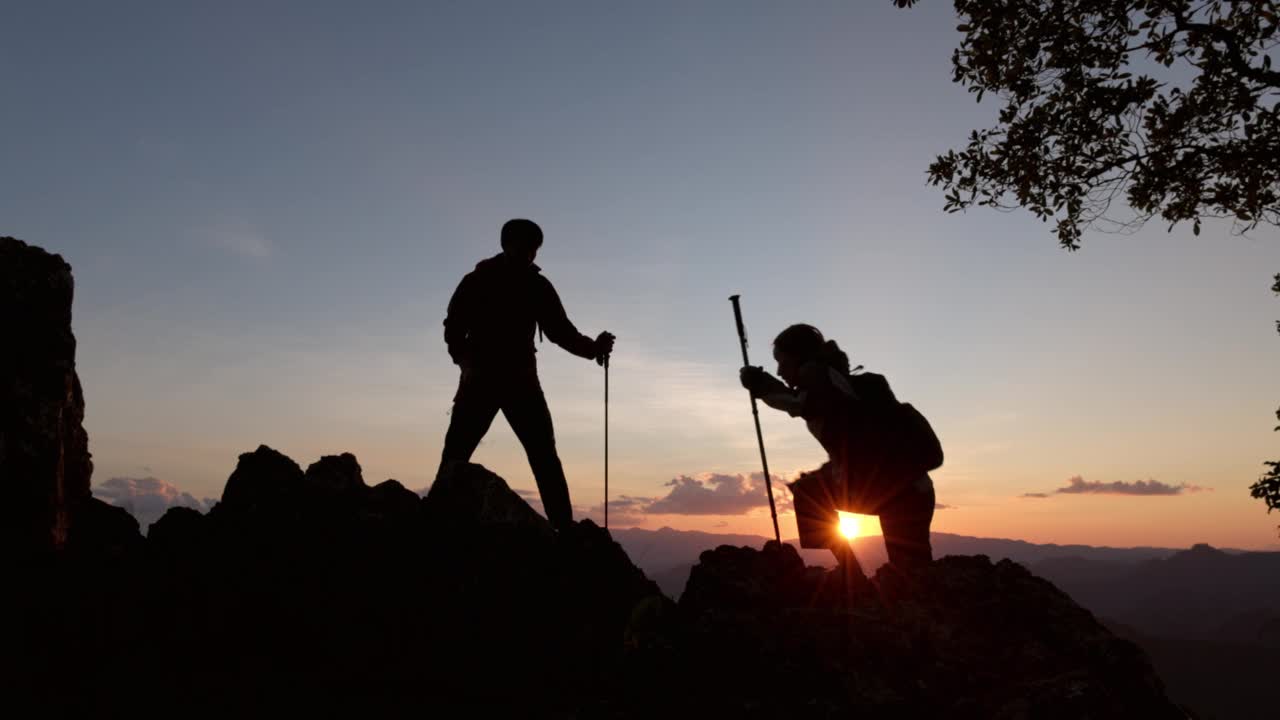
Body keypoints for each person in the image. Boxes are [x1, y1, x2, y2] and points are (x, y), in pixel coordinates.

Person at [437, 219, 614, 531]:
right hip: (502, 381)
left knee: (528, 455)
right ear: (507, 244)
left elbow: (560, 331)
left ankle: (562, 528)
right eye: (526, 246)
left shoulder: (514, 283)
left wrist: (592, 349)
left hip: (502, 381)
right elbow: (454, 328)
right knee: (531, 455)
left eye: (533, 248)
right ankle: (563, 529)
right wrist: (465, 362)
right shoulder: (494, 282)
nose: (530, 253)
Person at [740, 324, 936, 581]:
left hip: (895, 492)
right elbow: (805, 401)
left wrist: (762, 386)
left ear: (801, 360)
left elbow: (802, 404)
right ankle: (857, 577)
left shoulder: (824, 383)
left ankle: (851, 576)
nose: (779, 370)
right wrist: (766, 386)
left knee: (809, 492)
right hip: (911, 489)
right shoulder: (837, 381)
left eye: (782, 361)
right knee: (914, 574)